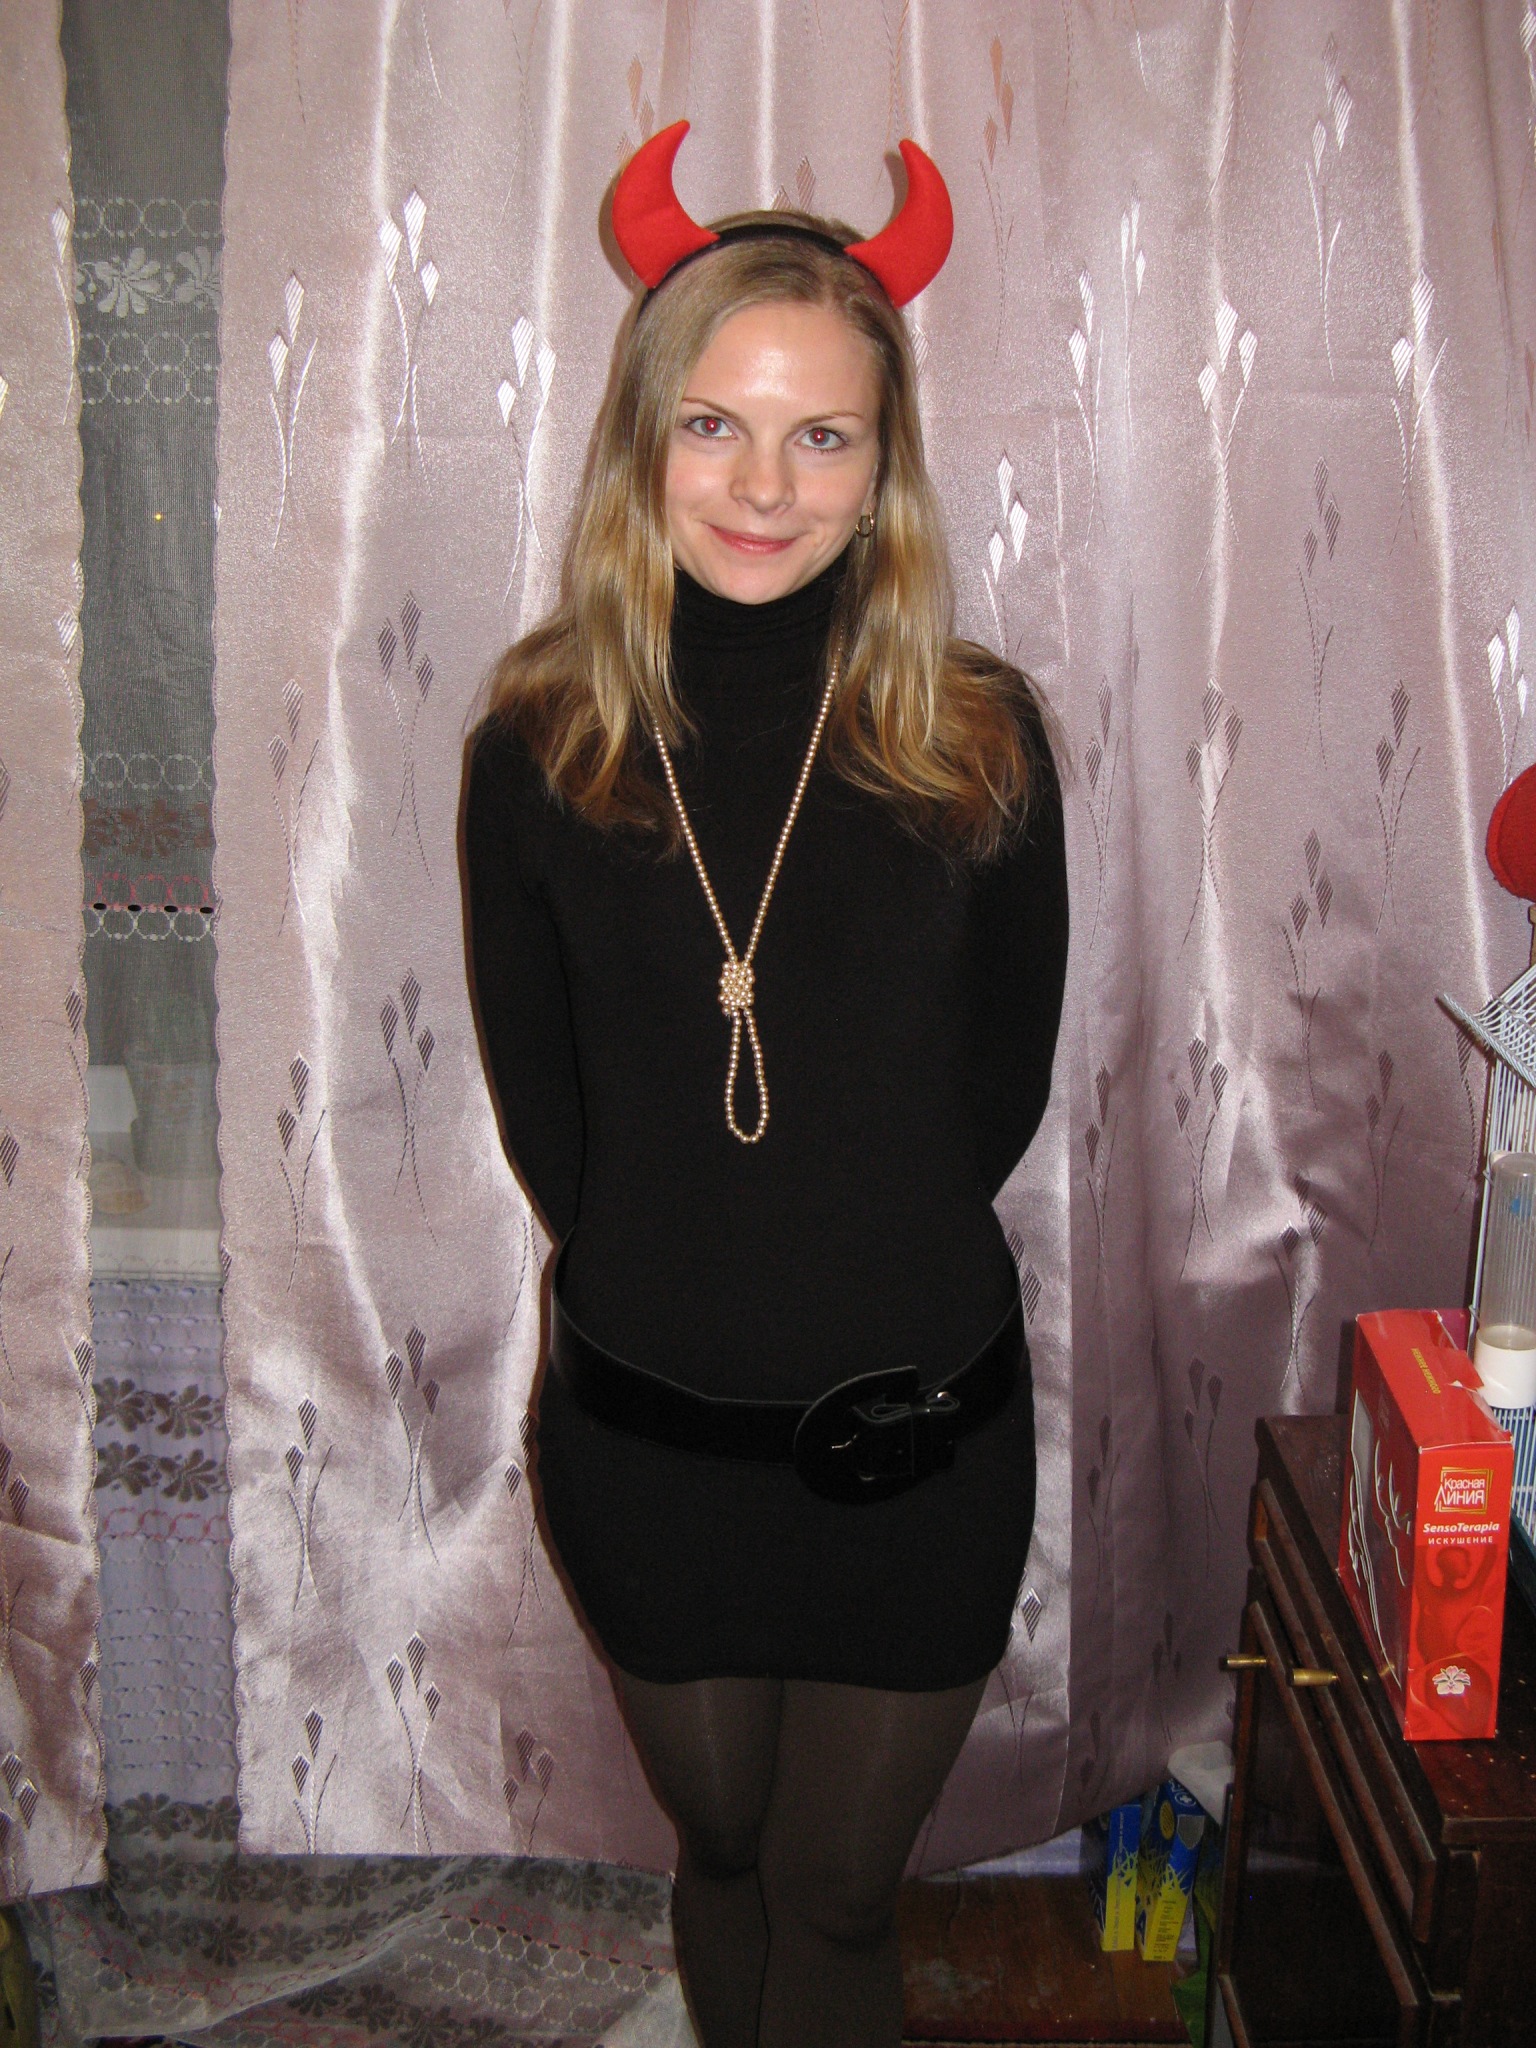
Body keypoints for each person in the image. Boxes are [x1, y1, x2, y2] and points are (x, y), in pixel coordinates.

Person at [462, 122, 1069, 2048]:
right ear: (643, 434)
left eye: (823, 437)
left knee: (838, 1897)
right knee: (718, 1850)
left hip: (922, 1456)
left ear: (885, 471)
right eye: (715, 424)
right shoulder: (540, 741)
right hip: (646, 1454)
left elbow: (998, 1096)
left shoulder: (982, 742)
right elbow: (550, 1125)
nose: (762, 485)